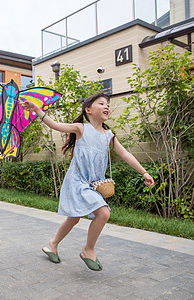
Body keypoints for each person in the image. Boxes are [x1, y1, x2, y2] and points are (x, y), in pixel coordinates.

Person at [21, 93, 155, 271]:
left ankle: (53, 243)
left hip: (93, 184)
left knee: (74, 218)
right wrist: (37, 110)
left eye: (108, 104)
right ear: (88, 110)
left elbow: (126, 154)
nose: (106, 106)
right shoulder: (81, 128)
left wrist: (144, 172)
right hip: (77, 181)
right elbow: (56, 125)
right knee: (103, 213)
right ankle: (88, 249)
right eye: (101, 103)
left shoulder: (109, 135)